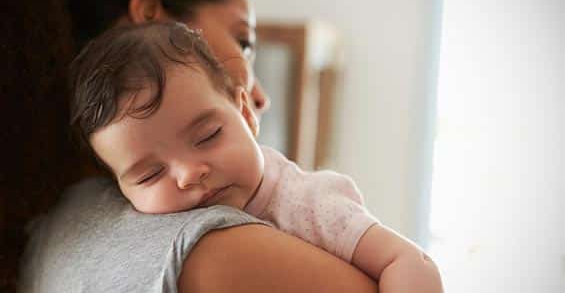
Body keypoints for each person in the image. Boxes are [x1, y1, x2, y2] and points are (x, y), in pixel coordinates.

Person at [15, 0, 381, 292]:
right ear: (149, 16)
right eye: (243, 42)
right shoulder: (214, 253)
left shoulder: (50, 227)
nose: (260, 98)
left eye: (207, 135)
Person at [68, 21, 443, 292]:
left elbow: (410, 262)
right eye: (150, 175)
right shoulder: (144, 235)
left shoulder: (309, 203)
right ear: (119, 188)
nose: (189, 174)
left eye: (208, 136)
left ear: (245, 113)